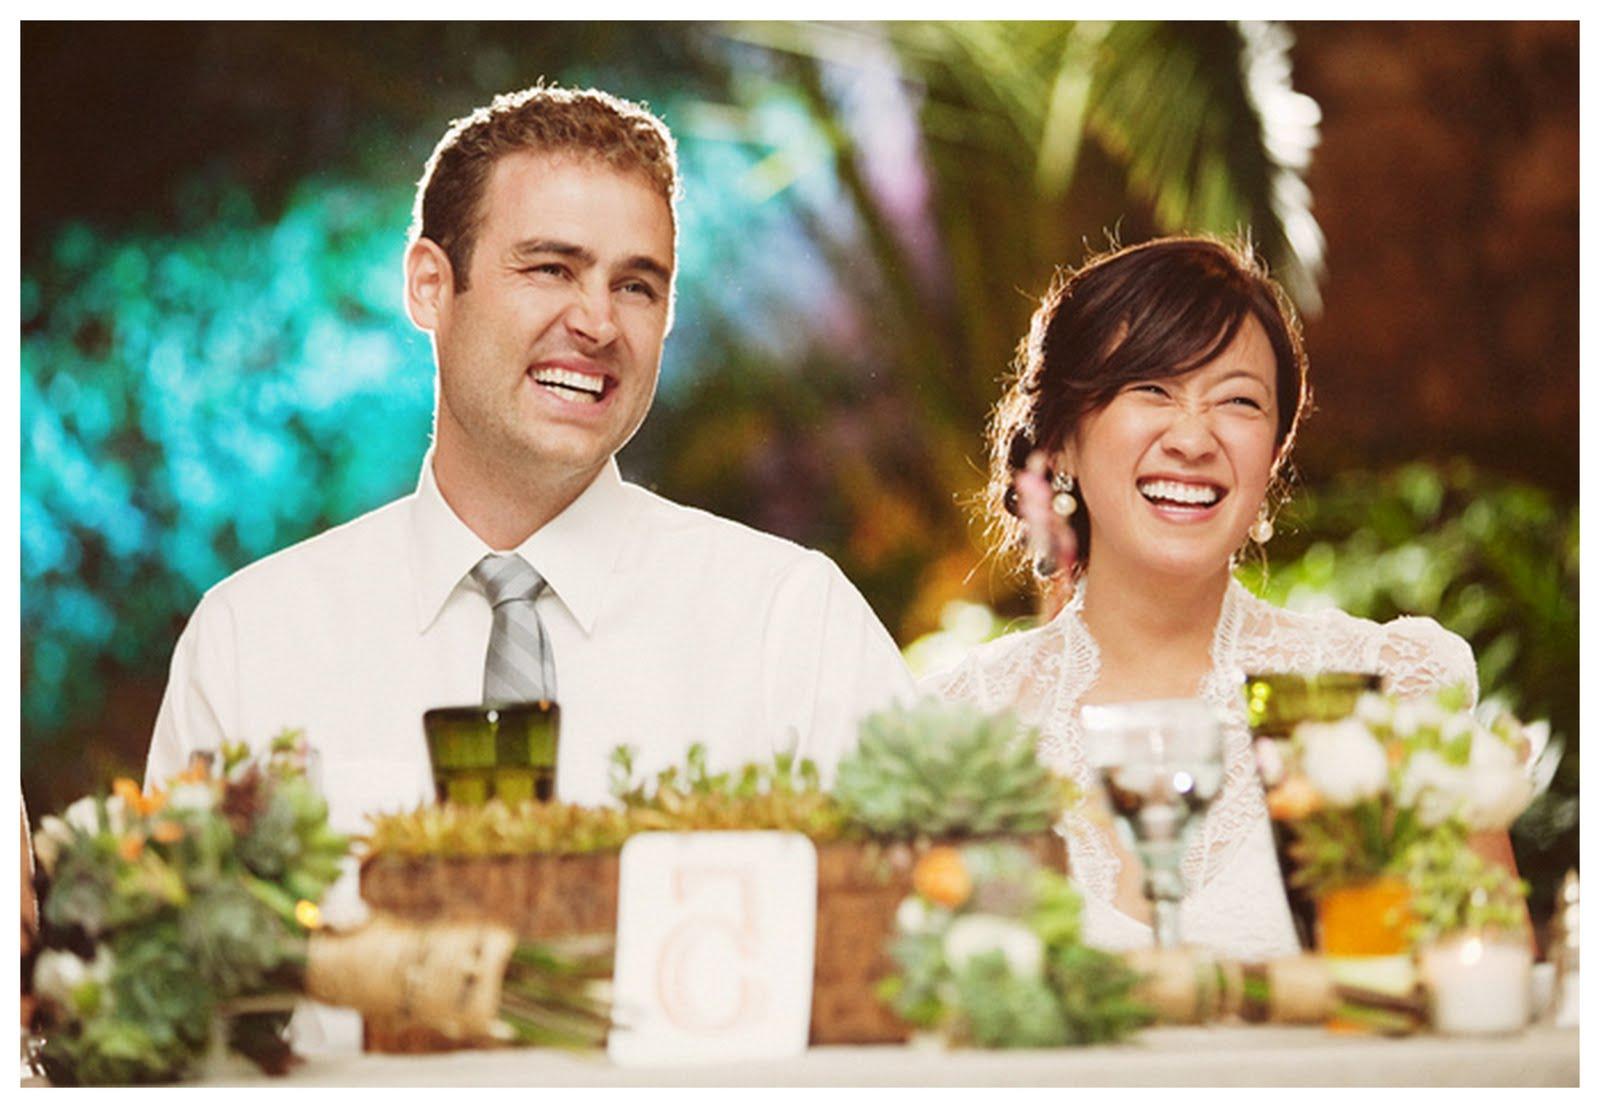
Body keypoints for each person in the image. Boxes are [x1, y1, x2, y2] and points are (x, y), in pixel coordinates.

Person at [145, 83, 913, 971]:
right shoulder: (252, 639)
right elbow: (177, 997)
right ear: (431, 285)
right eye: (551, 267)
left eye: (635, 285)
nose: (595, 322)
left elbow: (916, 956)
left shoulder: (793, 624)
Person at [923, 236, 1484, 961]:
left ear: (1274, 455)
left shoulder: (1379, 691)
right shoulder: (958, 726)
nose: (1192, 437)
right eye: (1151, 388)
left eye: (1239, 401)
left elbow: (1481, 997)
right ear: (1059, 438)